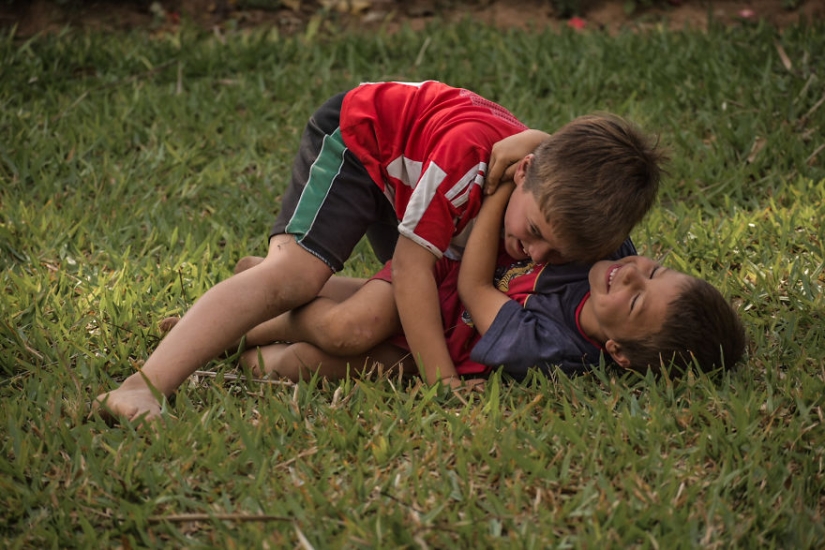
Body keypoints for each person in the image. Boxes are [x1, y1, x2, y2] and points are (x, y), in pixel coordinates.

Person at [94, 80, 663, 423]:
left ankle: (239, 321)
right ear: (525, 170)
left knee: (386, 338)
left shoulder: (566, 205)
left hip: (426, 201)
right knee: (298, 280)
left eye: (550, 251)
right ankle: (139, 388)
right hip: (363, 147)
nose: (532, 253)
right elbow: (416, 268)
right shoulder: (467, 164)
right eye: (534, 231)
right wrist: (441, 383)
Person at [232, 183, 745, 382]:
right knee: (352, 324)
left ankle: (250, 357)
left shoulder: (552, 347)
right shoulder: (607, 252)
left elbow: (479, 290)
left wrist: (504, 192)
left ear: (618, 352)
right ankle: (248, 320)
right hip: (431, 290)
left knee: (316, 363)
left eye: (636, 301)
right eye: (656, 272)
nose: (631, 273)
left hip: (435, 344)